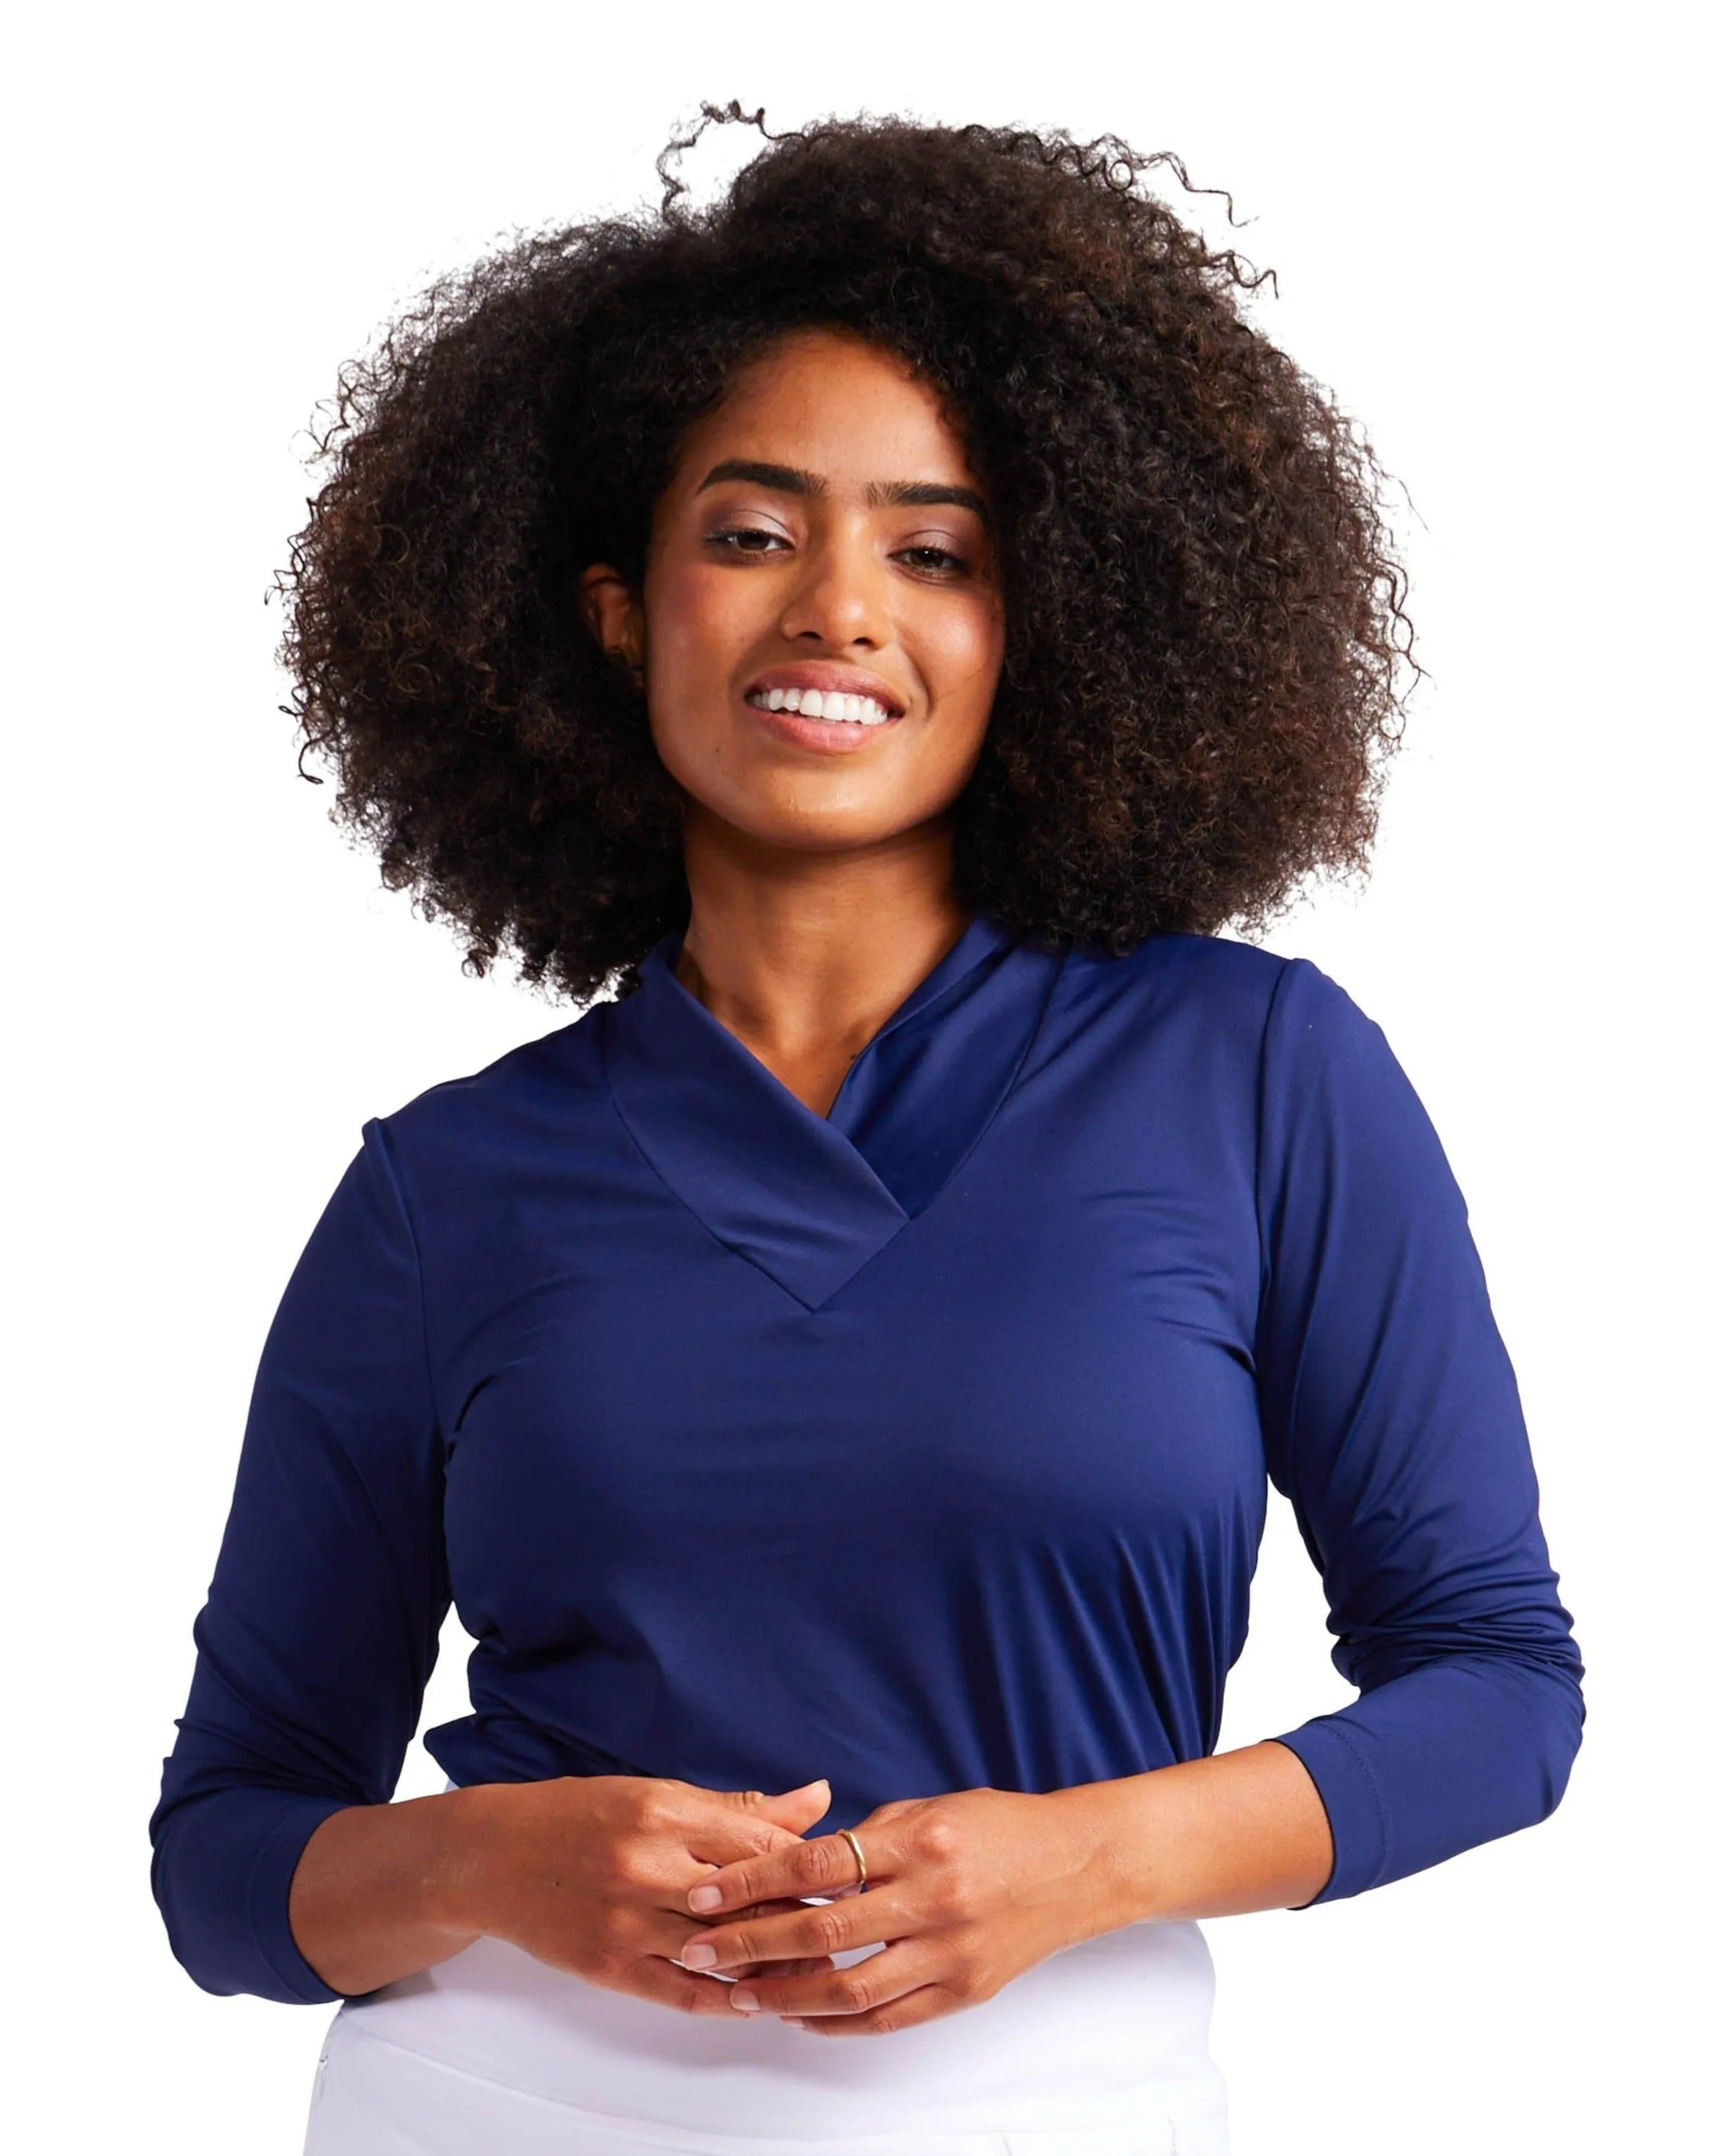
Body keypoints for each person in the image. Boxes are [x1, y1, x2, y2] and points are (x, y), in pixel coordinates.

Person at [148, 104, 1584, 2156]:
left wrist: (1087, 1859)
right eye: (752, 534)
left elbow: (1498, 1693)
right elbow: (227, 1856)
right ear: (620, 609)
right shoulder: (444, 1191)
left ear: (1041, 628)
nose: (836, 608)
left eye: (934, 552)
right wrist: (488, 1862)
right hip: (489, 2103)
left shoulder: (1253, 1074)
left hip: (1065, 2110)